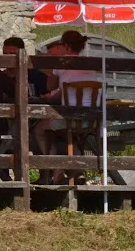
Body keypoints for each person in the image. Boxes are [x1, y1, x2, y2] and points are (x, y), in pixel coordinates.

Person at [32, 30, 103, 183]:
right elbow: (65, 89)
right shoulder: (90, 65)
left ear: (66, 46)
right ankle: (76, 169)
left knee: (41, 129)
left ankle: (57, 166)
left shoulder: (61, 63)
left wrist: (52, 68)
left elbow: (50, 87)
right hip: (92, 120)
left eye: (61, 45)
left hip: (69, 119)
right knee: (68, 134)